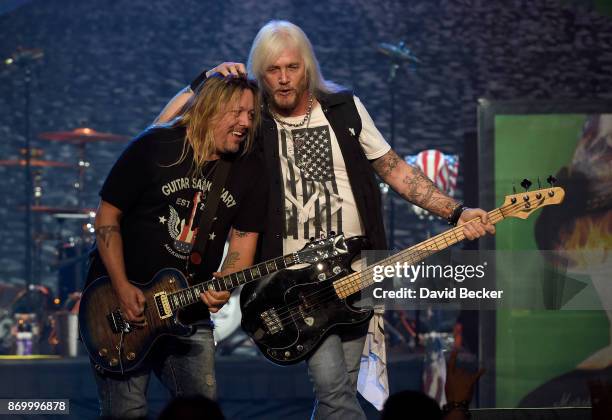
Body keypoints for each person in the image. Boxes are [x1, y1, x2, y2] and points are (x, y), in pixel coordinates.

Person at [157, 20, 495, 420]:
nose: (283, 80)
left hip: (358, 272)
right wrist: (203, 82)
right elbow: (162, 132)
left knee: (340, 392)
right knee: (335, 391)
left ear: (307, 67)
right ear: (259, 74)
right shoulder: (251, 121)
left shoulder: (345, 109)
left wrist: (456, 211)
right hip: (292, 285)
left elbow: (394, 169)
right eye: (272, 71)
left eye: (292, 68)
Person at [89, 74, 267, 418]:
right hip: (119, 305)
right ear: (211, 108)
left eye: (251, 114)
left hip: (189, 310)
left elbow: (244, 241)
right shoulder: (155, 146)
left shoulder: (249, 167)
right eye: (238, 112)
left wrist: (225, 284)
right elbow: (107, 218)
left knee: (202, 410)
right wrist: (122, 287)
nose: (246, 123)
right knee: (126, 412)